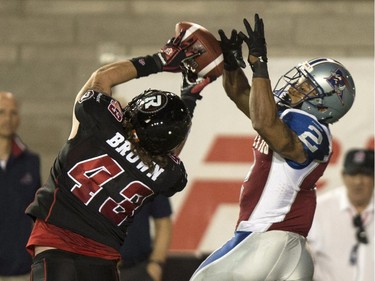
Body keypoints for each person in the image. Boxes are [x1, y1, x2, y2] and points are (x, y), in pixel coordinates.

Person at [25, 30, 214, 281]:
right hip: (104, 258)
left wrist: (160, 60)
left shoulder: (97, 123)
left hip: (56, 245)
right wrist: (189, 98)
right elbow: (167, 152)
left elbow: (101, 78)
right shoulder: (165, 174)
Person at [190, 13, 356, 281]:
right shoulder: (293, 117)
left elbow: (264, 123)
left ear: (325, 104)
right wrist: (232, 63)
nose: (295, 87)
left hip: (267, 240)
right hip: (284, 247)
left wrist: (260, 65)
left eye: (306, 87)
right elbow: (241, 95)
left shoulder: (310, 126)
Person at [308, 148, 374, 281]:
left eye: (365, 174)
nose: (358, 182)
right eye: (353, 174)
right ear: (343, 175)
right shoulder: (319, 209)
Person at [0, 92, 41, 281]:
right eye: (1, 112)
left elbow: (38, 215)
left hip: (21, 270)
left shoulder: (31, 162)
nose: (8, 118)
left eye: (13, 113)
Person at [118, 195, 172, 281]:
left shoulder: (152, 182)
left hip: (139, 268)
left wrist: (157, 264)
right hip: (100, 269)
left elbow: (163, 221)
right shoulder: (92, 183)